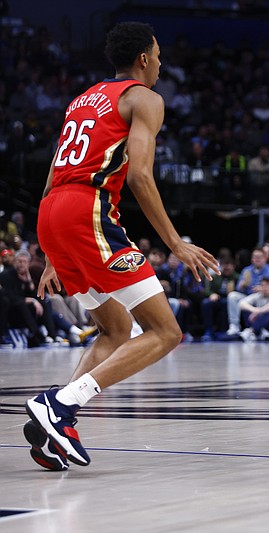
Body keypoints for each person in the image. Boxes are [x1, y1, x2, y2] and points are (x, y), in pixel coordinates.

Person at [26, 22, 219, 472]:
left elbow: (53, 173)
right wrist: (176, 243)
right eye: (159, 55)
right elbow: (139, 176)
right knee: (166, 332)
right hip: (88, 211)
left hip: (52, 211)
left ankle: (54, 424)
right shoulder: (145, 98)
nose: (161, 63)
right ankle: (60, 405)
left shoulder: (83, 99)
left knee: (114, 330)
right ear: (145, 59)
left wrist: (53, 252)